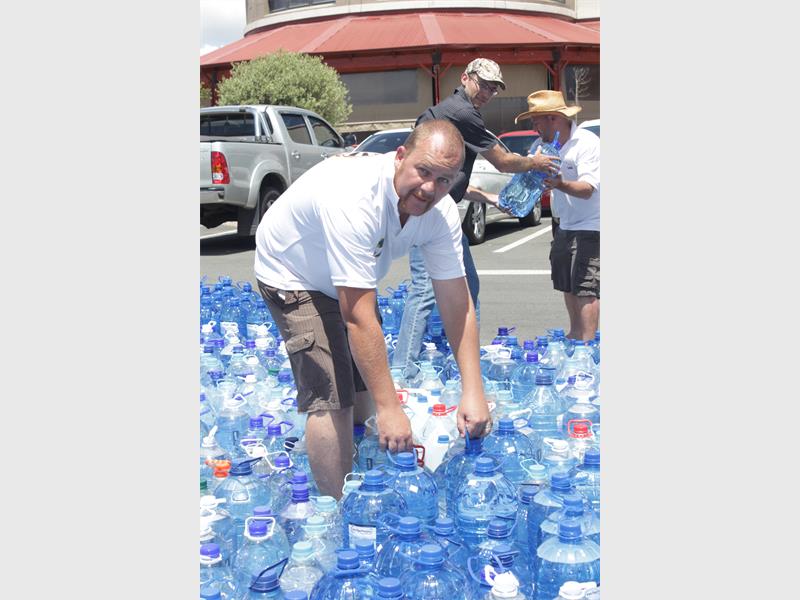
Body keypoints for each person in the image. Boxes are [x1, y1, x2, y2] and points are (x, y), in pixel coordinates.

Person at [253, 120, 491, 499]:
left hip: (346, 275)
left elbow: (457, 304)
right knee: (334, 395)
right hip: (292, 269)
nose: (429, 188)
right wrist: (390, 409)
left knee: (365, 388)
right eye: (423, 171)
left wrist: (474, 389)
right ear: (400, 157)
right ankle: (338, 510)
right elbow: (358, 319)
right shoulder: (355, 197)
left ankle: (365, 474)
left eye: (444, 180)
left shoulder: (441, 212)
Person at [392, 58, 560, 375]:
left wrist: (489, 197)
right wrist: (534, 163)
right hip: (426, 212)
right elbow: (503, 162)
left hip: (437, 211)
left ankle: (465, 361)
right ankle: (403, 368)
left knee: (468, 285)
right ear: (465, 78)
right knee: (424, 289)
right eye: (483, 85)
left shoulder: (446, 112)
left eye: (493, 89)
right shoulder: (462, 112)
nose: (487, 93)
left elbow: (452, 184)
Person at [514, 90, 600, 341]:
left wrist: (560, 184)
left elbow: (588, 189)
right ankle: (575, 335)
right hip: (563, 223)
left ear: (553, 118)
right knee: (567, 283)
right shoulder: (540, 147)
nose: (534, 127)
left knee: (585, 287)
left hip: (592, 224)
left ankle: (587, 345)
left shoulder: (586, 143)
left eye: (536, 120)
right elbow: (530, 179)